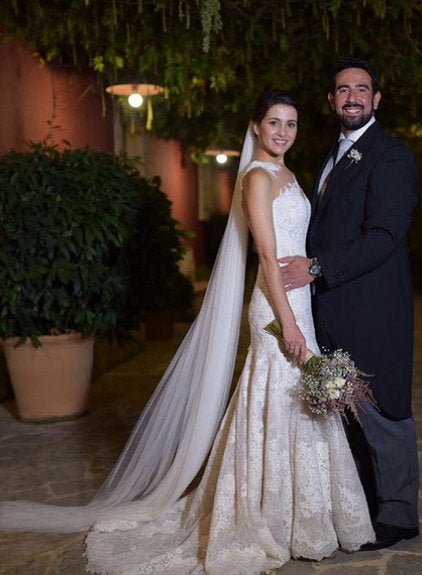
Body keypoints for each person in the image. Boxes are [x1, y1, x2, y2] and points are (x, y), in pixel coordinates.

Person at [0, 90, 374, 574]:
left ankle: (306, 517)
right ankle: (267, 518)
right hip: (276, 306)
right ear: (255, 126)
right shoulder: (257, 178)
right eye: (274, 122)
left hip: (297, 299)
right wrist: (288, 323)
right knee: (277, 399)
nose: (283, 132)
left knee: (300, 402)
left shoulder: (288, 174)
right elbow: (266, 256)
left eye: (291, 123)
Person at [280, 57, 420, 550]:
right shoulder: (330, 153)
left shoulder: (391, 156)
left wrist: (316, 268)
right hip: (331, 310)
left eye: (362, 89)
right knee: (347, 414)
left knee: (384, 410)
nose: (353, 97)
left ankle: (400, 515)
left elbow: (384, 236)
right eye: (343, 90)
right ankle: (364, 508)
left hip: (374, 311)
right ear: (331, 100)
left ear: (376, 99)